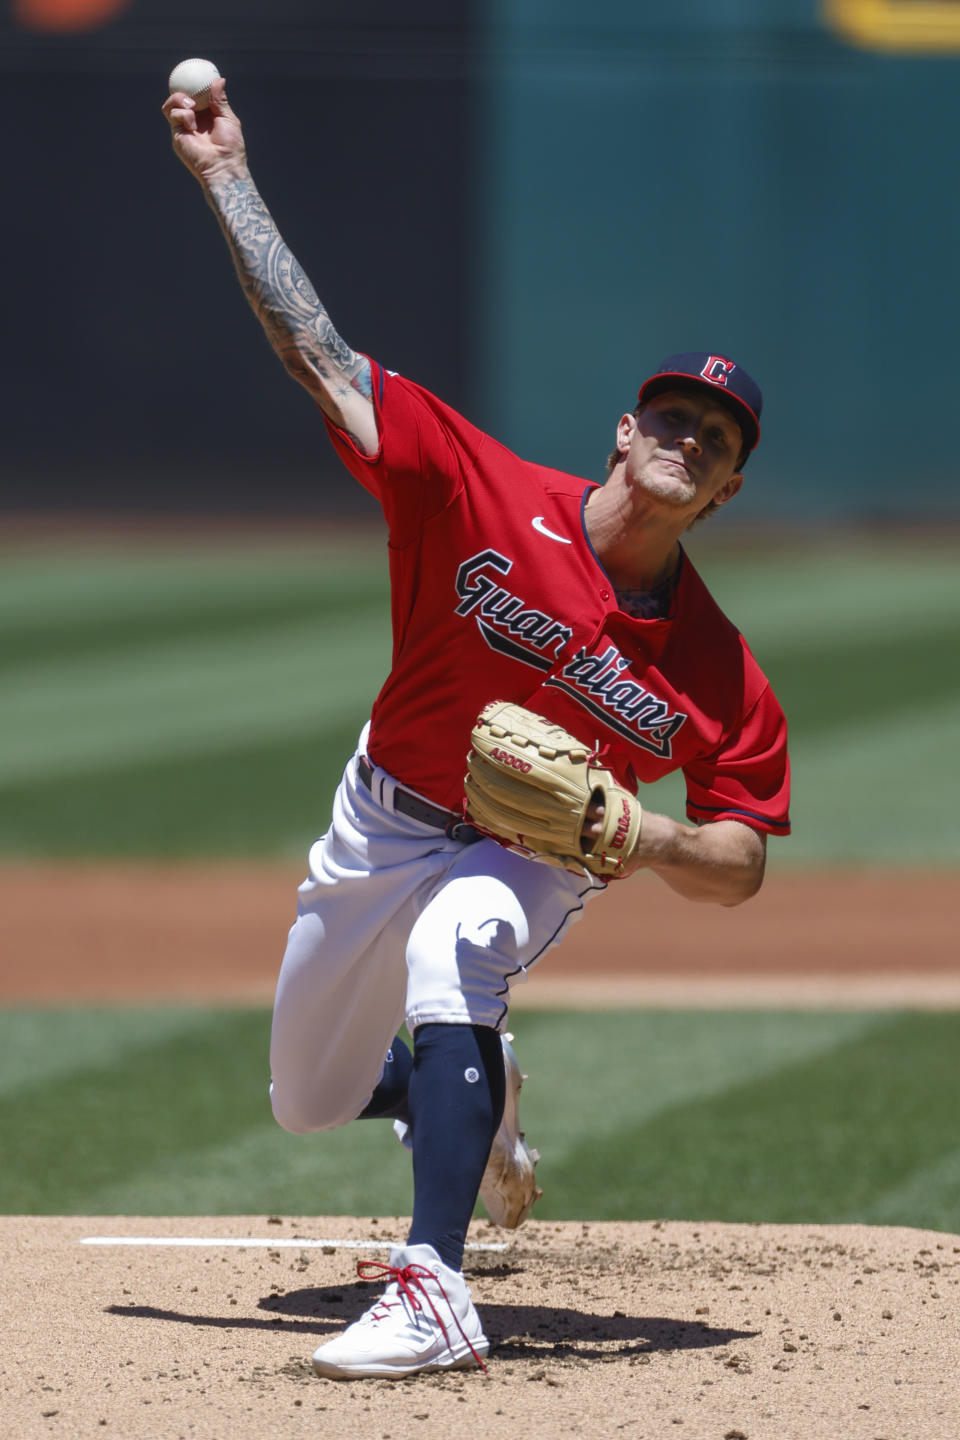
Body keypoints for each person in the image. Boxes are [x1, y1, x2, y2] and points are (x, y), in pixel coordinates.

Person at [163, 77, 790, 1382]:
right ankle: (470, 1102)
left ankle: (434, 1287)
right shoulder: (481, 488)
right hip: (383, 810)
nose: (687, 435)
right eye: (672, 413)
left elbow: (746, 862)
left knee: (461, 944)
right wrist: (227, 177)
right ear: (625, 432)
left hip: (535, 854)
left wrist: (646, 834)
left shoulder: (722, 669)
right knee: (307, 1098)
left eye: (714, 437)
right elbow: (318, 358)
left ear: (722, 492)